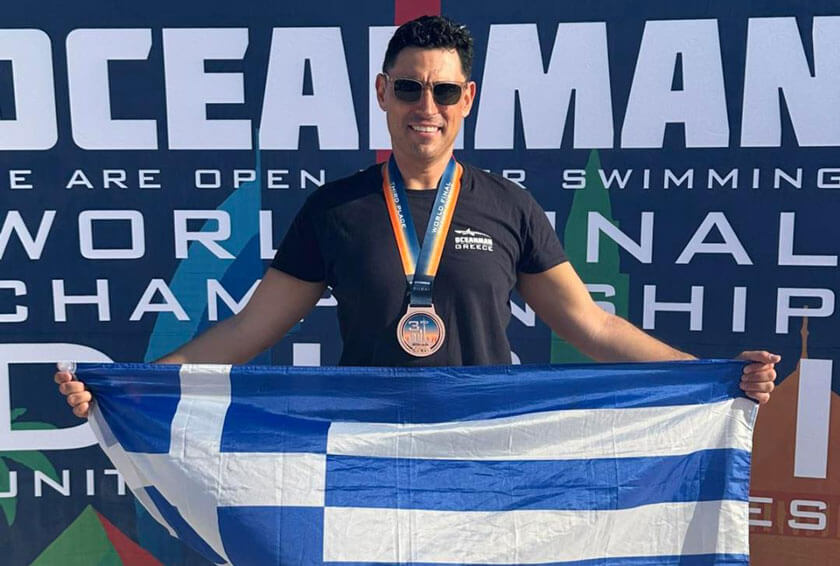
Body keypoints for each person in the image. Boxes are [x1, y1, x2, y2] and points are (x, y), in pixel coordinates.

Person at [56, 15, 778, 417]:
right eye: (408, 89)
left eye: (443, 92)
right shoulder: (336, 209)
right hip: (364, 448)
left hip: (481, 447)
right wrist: (133, 384)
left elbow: (591, 327)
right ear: (382, 93)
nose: (425, 108)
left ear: (468, 98)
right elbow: (250, 331)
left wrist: (711, 374)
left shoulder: (508, 206)